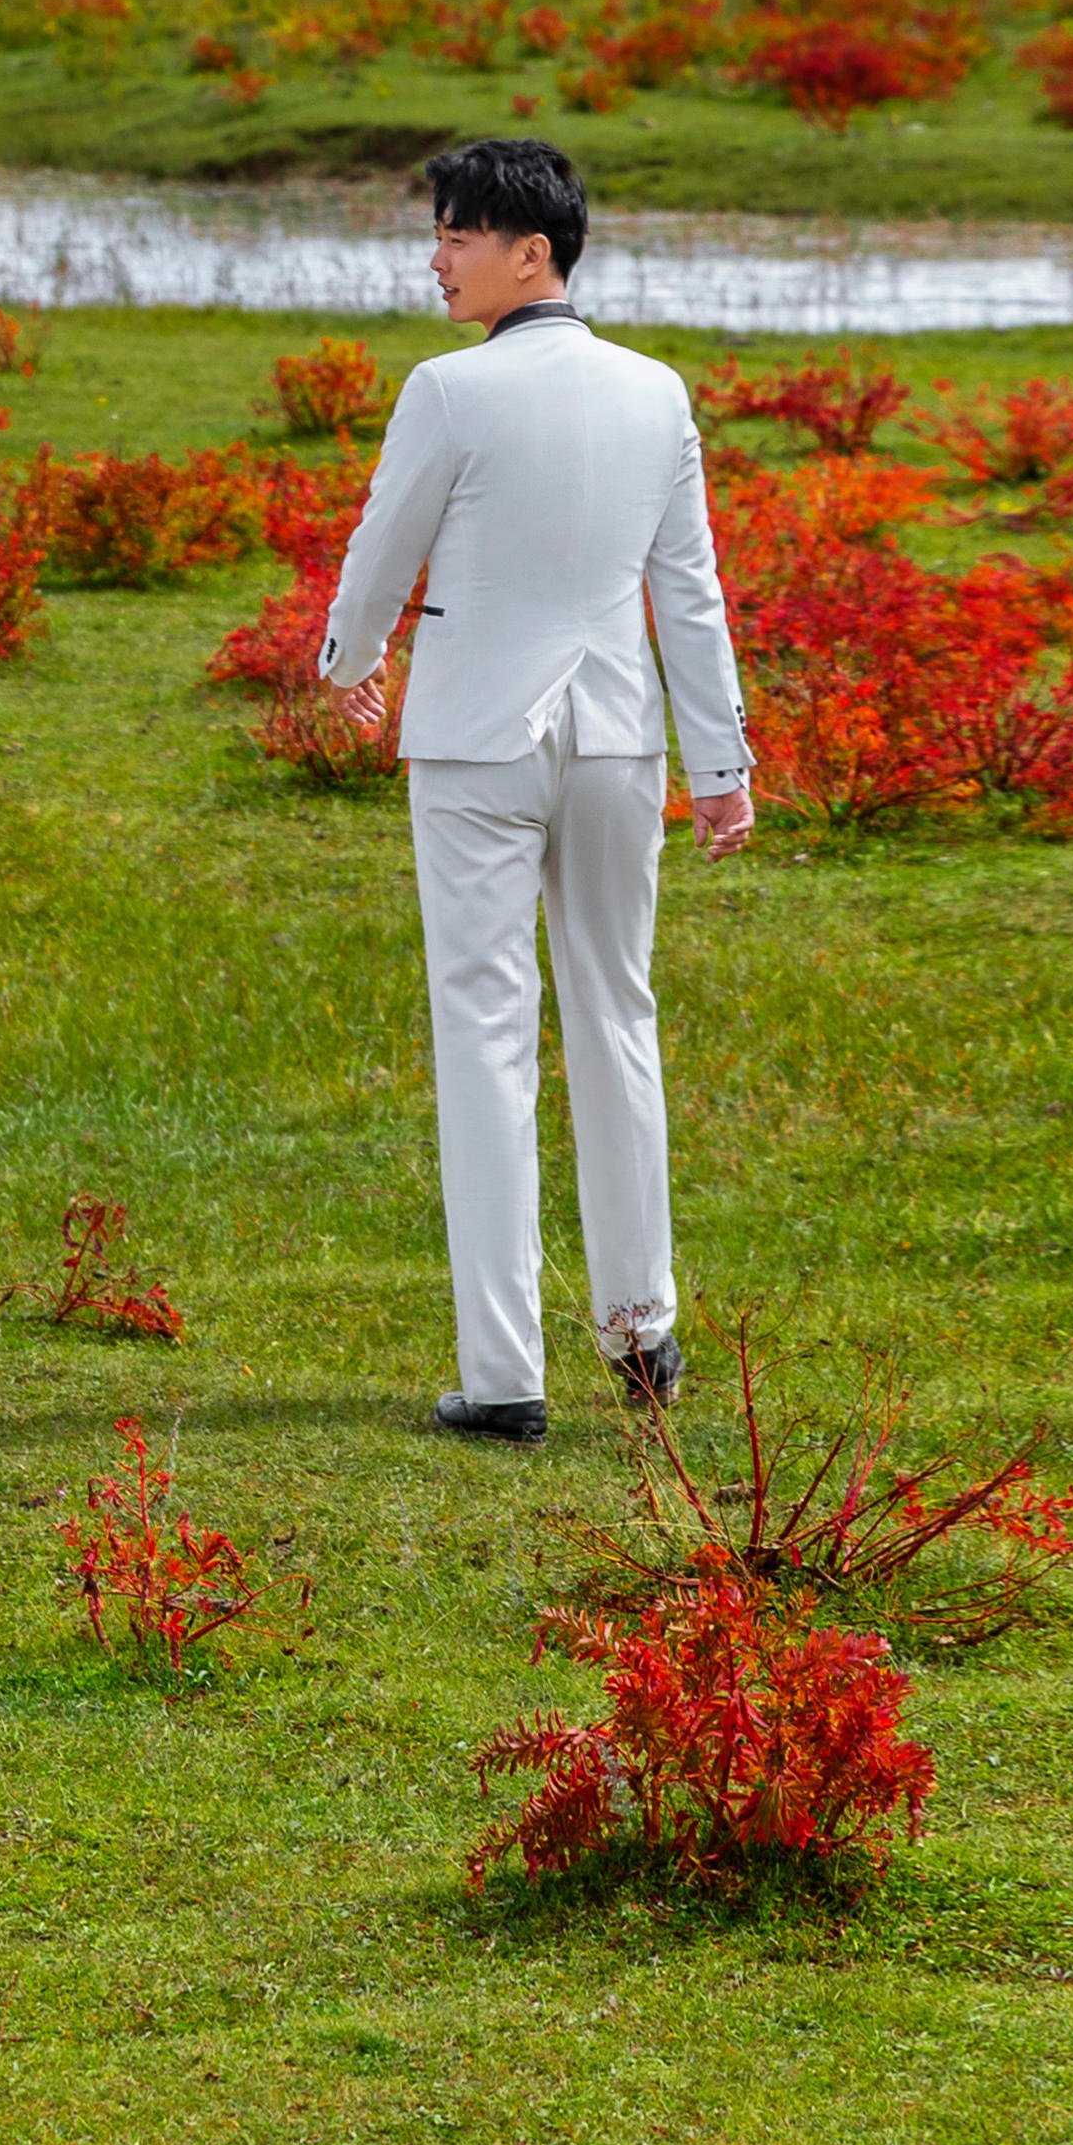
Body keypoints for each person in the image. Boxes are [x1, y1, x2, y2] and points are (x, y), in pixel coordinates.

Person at [310, 136, 749, 1446]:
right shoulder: (655, 390)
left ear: (529, 252)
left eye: (454, 232)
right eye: (436, 229)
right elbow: (690, 589)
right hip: (616, 743)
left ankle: (500, 1376)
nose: (433, 254)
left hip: (473, 745)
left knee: (485, 1037)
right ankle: (642, 1328)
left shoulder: (446, 391)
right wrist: (717, 764)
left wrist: (343, 659)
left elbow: (381, 537)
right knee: (616, 1012)